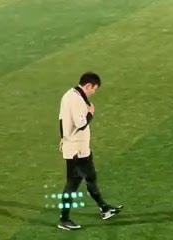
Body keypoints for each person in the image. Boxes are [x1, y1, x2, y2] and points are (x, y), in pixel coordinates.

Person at [56, 72, 122, 231]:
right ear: (88, 86)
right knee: (72, 184)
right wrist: (91, 112)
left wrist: (63, 136)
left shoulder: (69, 95)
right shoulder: (76, 99)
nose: (94, 92)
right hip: (76, 151)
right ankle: (64, 219)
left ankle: (105, 209)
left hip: (80, 149)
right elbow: (81, 124)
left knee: (91, 177)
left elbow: (61, 119)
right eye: (94, 89)